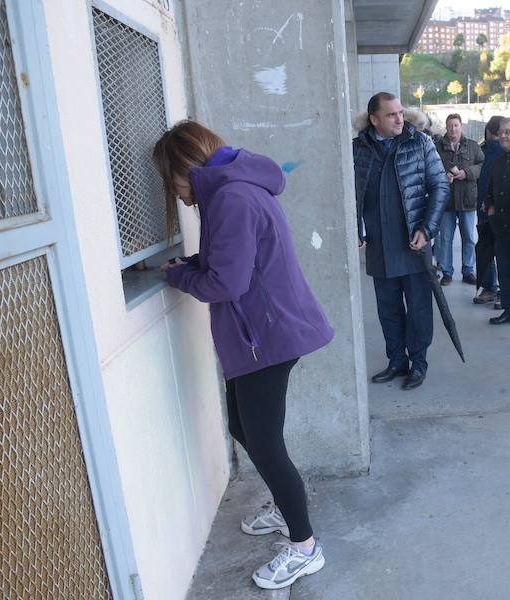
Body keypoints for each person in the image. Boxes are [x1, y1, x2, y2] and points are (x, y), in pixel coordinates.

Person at [154, 120, 332, 590]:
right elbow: (231, 261)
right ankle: (285, 506)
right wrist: (191, 265)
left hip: (266, 339)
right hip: (261, 335)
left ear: (185, 168)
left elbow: (227, 283)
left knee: (267, 446)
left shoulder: (229, 197)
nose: (177, 196)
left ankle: (304, 546)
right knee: (242, 427)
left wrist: (179, 278)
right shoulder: (229, 190)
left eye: (172, 183)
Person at [353, 92, 449, 390]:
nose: (399, 119)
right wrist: (355, 229)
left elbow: (440, 186)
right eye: (391, 114)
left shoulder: (419, 143)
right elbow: (348, 193)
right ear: (374, 120)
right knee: (388, 309)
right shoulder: (358, 149)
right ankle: (396, 361)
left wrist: (428, 228)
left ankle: (418, 363)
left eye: (400, 112)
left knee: (419, 308)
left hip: (414, 243)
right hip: (379, 245)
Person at [483, 117, 510, 324]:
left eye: (509, 132)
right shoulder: (498, 159)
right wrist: (489, 206)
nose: (503, 135)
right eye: (501, 132)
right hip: (501, 225)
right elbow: (490, 187)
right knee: (505, 272)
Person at [434, 114, 485, 285]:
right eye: (450, 126)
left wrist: (467, 173)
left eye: (456, 125)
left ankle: (468, 270)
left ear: (461, 126)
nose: (453, 129)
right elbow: (431, 167)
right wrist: (443, 176)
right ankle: (447, 271)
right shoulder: (437, 147)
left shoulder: (472, 146)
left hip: (468, 199)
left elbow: (482, 166)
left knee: (469, 237)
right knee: (446, 238)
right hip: (446, 202)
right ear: (446, 127)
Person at [473, 115, 505, 305]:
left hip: (493, 212)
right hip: (489, 211)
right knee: (491, 251)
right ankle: (495, 290)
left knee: (495, 252)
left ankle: (497, 290)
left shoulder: (502, 153)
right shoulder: (485, 151)